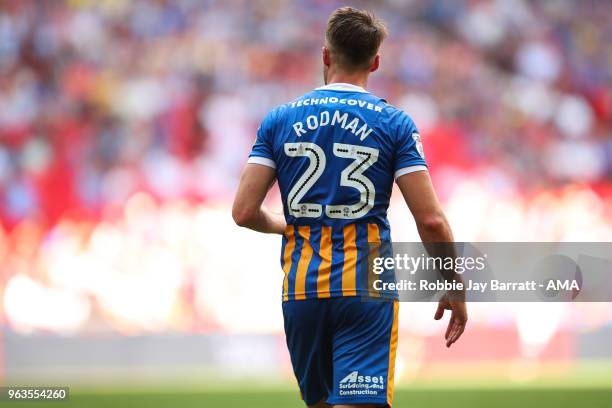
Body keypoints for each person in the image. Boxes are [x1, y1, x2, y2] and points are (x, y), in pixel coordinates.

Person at [232, 7, 467, 407]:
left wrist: (281, 225)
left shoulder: (279, 120)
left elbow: (243, 211)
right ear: (375, 62)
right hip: (365, 291)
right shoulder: (395, 124)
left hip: (303, 291)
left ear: (325, 55)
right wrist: (452, 284)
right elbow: (430, 220)